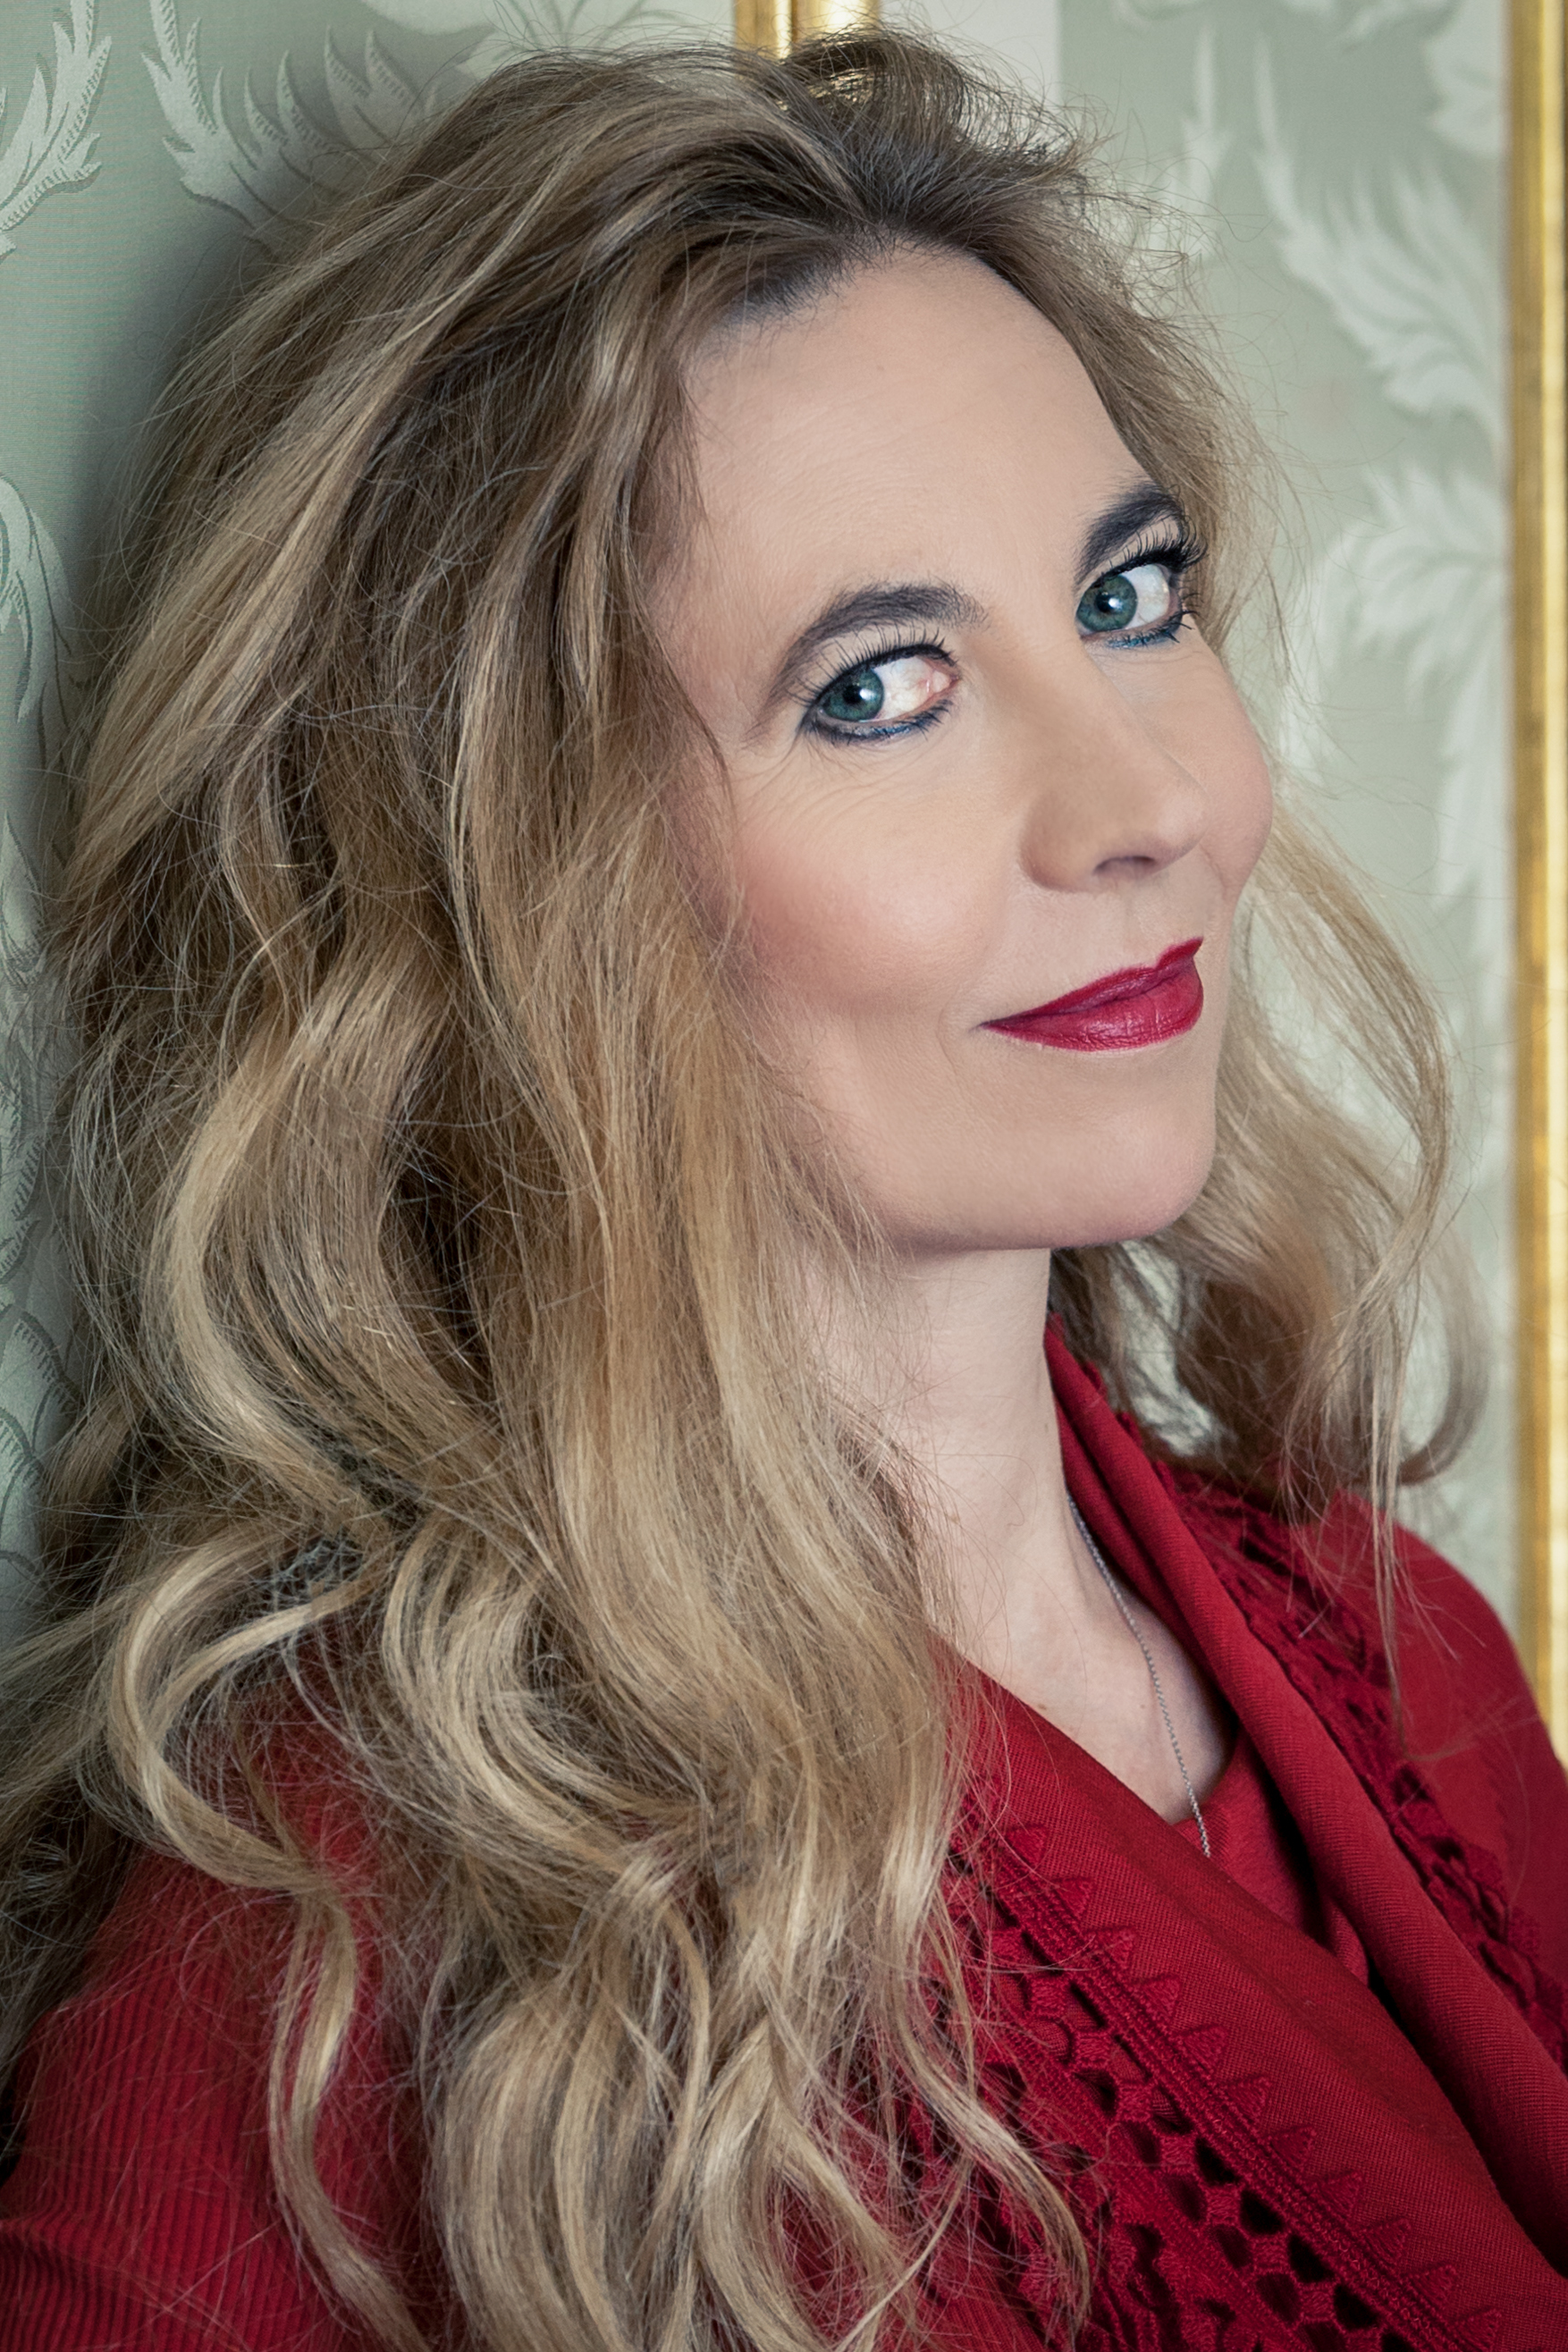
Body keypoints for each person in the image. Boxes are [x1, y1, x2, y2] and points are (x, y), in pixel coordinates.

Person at [0, 30, 1562, 2351]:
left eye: (1129, 600)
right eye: (881, 688)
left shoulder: (1393, 1645)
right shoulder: (329, 1923)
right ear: (527, 892)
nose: (1140, 803)